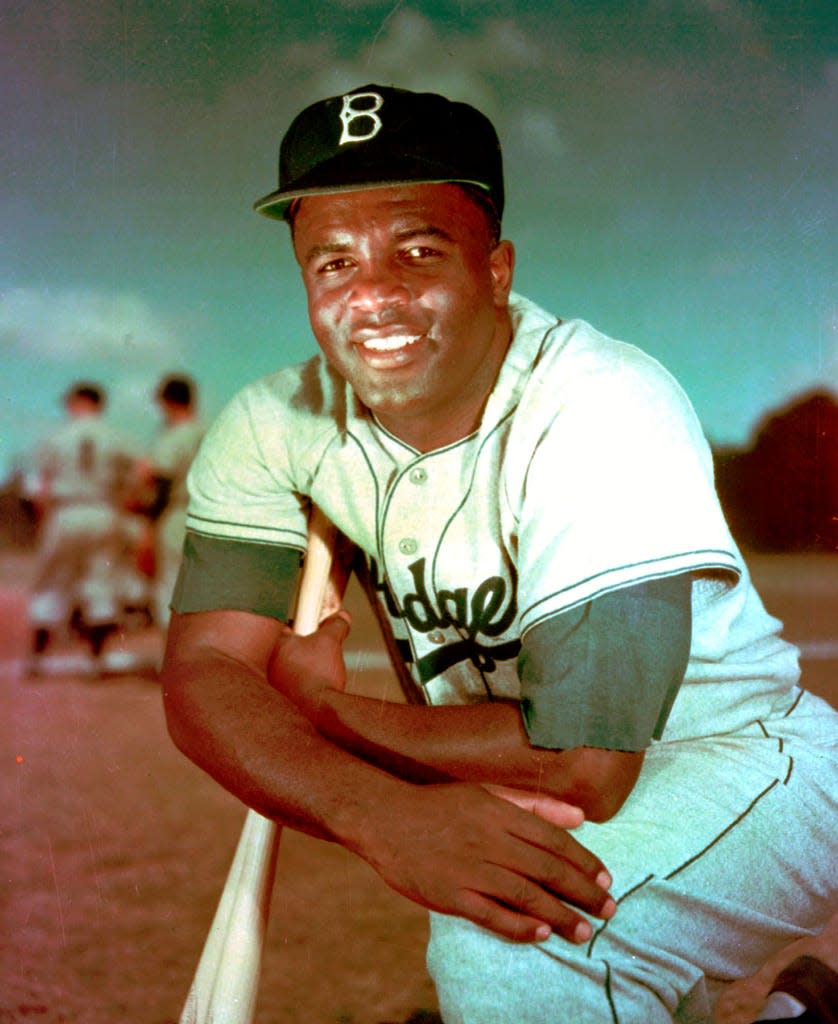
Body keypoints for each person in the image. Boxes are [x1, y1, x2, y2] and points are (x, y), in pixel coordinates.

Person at [161, 84, 838, 1023]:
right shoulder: (278, 424)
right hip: (519, 775)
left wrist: (321, 705)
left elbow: (584, 764)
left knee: (516, 952)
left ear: (496, 269)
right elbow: (204, 669)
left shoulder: (601, 403)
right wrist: (372, 810)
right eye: (332, 262)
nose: (372, 295)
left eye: (418, 250)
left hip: (741, 762)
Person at [26, 381, 143, 671]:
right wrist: (127, 496)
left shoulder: (56, 436)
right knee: (101, 581)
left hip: (66, 510)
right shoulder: (116, 437)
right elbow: (143, 469)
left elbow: (41, 486)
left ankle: (38, 659)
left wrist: (45, 520)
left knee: (53, 581)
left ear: (76, 402)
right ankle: (96, 660)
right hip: (103, 510)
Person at [136, 373, 205, 628]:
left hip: (177, 513)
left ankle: (172, 659)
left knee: (169, 587)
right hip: (211, 514)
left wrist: (149, 525)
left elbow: (161, 484)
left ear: (168, 402)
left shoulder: (173, 435)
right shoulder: (208, 430)